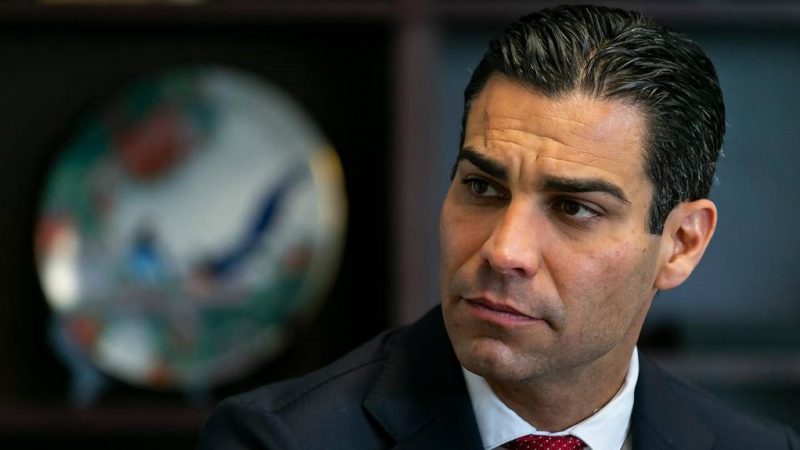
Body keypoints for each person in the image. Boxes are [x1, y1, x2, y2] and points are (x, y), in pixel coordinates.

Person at [197, 5, 800, 449]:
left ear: (681, 244)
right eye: (482, 188)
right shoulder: (279, 441)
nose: (504, 250)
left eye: (573, 208)